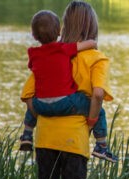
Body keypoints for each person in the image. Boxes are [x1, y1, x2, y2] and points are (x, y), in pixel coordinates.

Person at [20, 0, 118, 179]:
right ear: (92, 27)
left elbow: (30, 99)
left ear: (64, 27)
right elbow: (97, 94)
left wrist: (44, 115)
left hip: (45, 138)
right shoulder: (97, 58)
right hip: (74, 139)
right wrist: (92, 120)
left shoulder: (50, 57)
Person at [18, 9, 102, 152]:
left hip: (41, 106)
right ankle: (102, 144)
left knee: (34, 100)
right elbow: (85, 45)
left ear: (33, 35)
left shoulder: (33, 53)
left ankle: (27, 133)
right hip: (65, 103)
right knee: (94, 105)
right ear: (59, 32)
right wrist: (93, 43)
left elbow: (31, 75)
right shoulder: (63, 49)